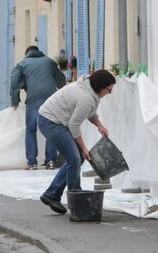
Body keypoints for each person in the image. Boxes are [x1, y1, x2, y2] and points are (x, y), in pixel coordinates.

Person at [37, 69, 116, 214]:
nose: (109, 93)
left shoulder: (89, 90)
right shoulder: (86, 97)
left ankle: (52, 194)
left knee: (77, 157)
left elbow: (90, 112)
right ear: (100, 87)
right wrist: (84, 148)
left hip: (57, 120)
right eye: (109, 89)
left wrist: (99, 125)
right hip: (50, 121)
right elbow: (74, 125)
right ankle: (76, 200)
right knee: (75, 158)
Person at [10, 45, 67, 170]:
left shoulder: (22, 64)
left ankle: (32, 162)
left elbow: (14, 82)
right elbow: (60, 79)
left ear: (27, 53)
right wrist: (65, 93)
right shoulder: (49, 61)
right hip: (51, 99)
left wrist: (15, 101)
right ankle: (50, 161)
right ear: (38, 52)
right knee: (50, 128)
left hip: (33, 99)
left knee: (31, 130)